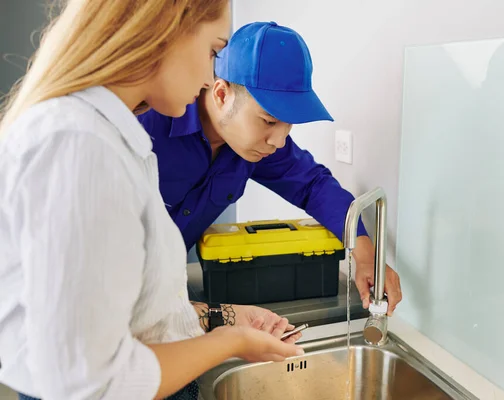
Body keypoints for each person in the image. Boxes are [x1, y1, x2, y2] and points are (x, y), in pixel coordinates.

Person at [0, 1, 304, 400]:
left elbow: (135, 314)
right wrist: (229, 343)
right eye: (213, 51)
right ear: (167, 30)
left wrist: (226, 320)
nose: (208, 76)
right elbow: (91, 382)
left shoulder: (111, 140)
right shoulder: (80, 146)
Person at [138, 21, 403, 315]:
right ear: (222, 94)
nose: (278, 141)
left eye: (288, 124)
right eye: (268, 121)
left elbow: (312, 185)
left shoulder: (255, 147)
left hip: (165, 294)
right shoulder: (147, 123)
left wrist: (365, 254)